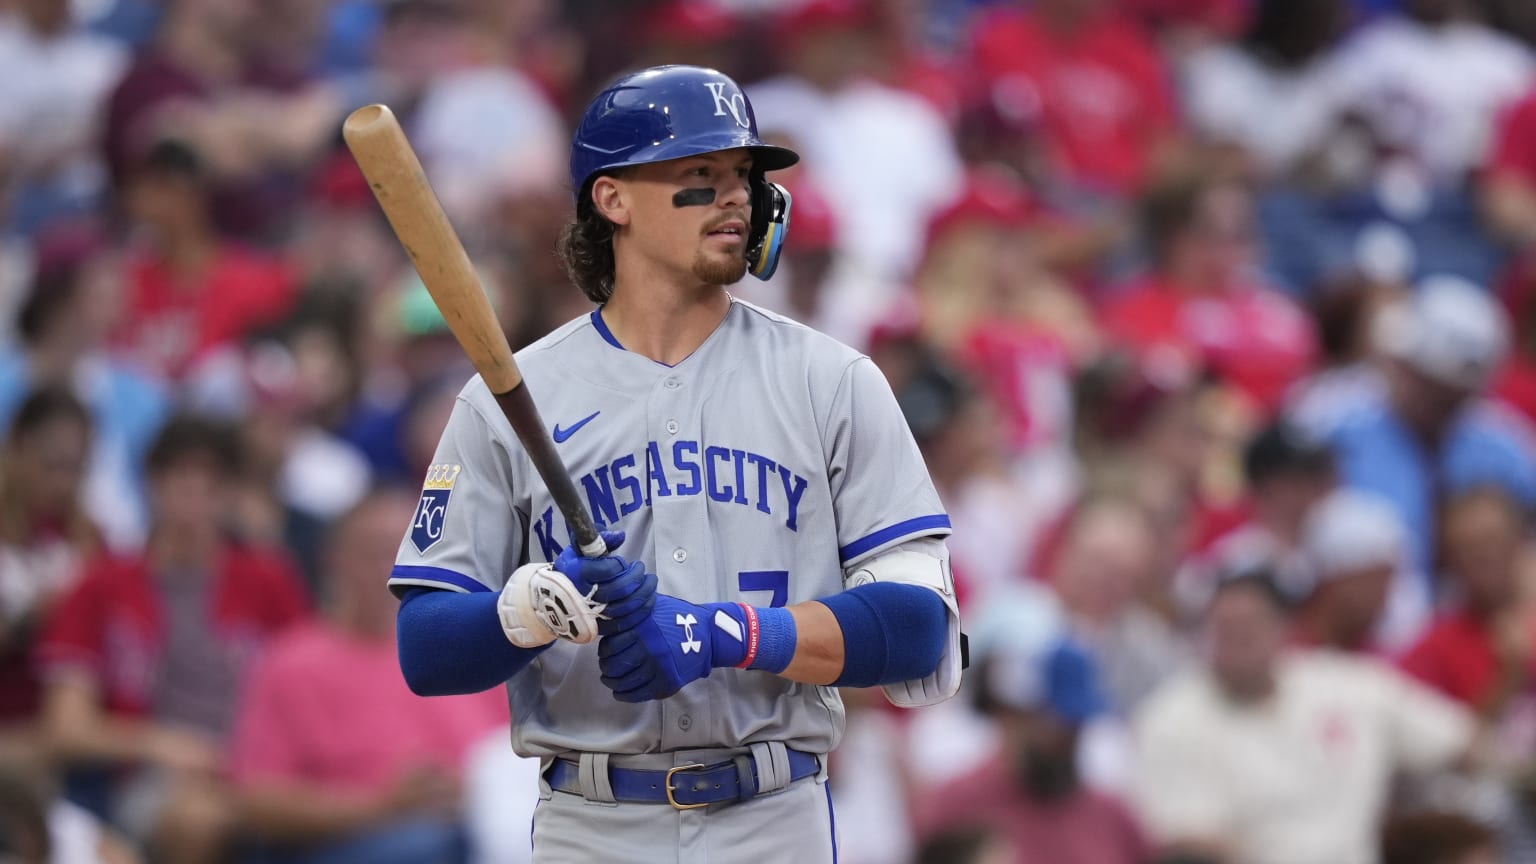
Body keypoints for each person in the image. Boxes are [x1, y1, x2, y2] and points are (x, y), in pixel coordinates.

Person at [389, 65, 959, 863]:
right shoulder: (508, 400)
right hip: (593, 823)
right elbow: (426, 646)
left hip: (773, 816)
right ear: (612, 199)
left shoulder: (833, 381)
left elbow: (917, 626)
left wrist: (722, 632)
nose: (736, 198)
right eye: (701, 175)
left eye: (743, 178)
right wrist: (527, 612)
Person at [37, 415, 310, 864]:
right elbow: (65, 727)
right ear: (151, 483)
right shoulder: (101, 584)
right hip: (149, 778)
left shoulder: (269, 579)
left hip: (261, 768)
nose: (191, 496)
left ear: (229, 492)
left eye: (209, 482)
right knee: (199, 822)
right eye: (178, 477)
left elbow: (307, 688)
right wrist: (161, 744)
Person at [230, 488, 504, 864]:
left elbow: (516, 761)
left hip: (482, 824)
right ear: (335, 562)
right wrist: (384, 805)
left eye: (402, 552)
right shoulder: (292, 663)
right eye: (372, 553)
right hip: (359, 842)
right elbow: (257, 800)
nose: (388, 569)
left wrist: (475, 790)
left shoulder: (466, 647)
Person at [1132, 567, 1478, 864]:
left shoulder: (1350, 685)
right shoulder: (1171, 718)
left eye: (1252, 623)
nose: (1239, 637)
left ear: (1284, 628)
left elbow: (1463, 742)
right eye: (1226, 626)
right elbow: (1188, 842)